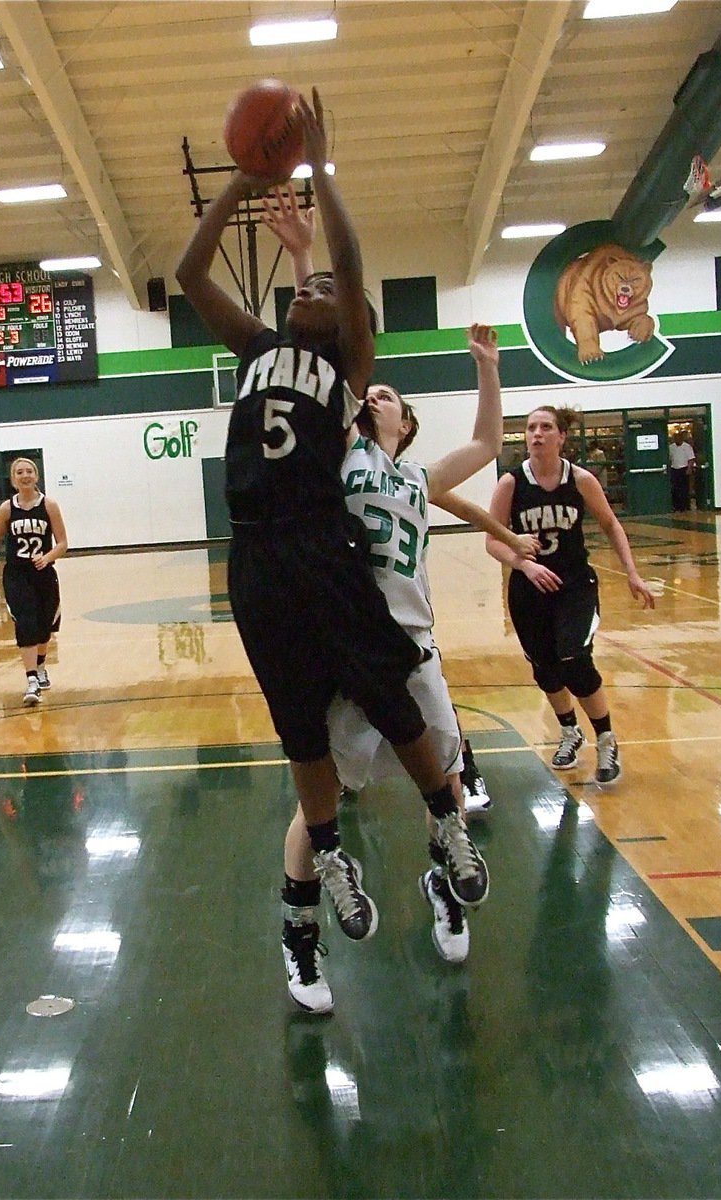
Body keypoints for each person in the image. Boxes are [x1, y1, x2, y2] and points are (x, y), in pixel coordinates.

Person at [176, 87, 488, 1016]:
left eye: (324, 292)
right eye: (300, 287)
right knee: (300, 726)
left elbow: (347, 264)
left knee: (392, 698)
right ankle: (334, 854)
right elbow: (192, 273)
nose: (310, 290)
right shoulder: (257, 345)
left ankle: (447, 825)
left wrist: (319, 168)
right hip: (258, 559)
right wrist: (241, 183)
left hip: (322, 545)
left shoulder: (347, 362)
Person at [263, 184, 537, 969]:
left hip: (413, 644)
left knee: (442, 780)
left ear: (404, 422)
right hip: (345, 644)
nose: (372, 394)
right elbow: (326, 345)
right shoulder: (335, 451)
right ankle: (301, 924)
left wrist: (488, 365)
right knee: (324, 798)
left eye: (384, 395)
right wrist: (303, 258)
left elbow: (488, 444)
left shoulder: (418, 478)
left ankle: (446, 890)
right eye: (369, 390)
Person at [485, 405, 656, 788]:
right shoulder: (511, 483)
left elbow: (611, 524)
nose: (537, 434)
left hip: (574, 585)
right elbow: (492, 540)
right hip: (529, 587)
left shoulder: (580, 480)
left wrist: (632, 572)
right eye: (530, 427)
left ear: (562, 436)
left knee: (574, 659)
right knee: (545, 668)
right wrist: (523, 563)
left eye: (546, 427)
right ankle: (569, 731)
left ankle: (606, 738)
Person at [0, 457, 68, 707]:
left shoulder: (49, 505)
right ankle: (31, 682)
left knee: (44, 627)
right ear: (13, 479)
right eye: (20, 472)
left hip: (43, 574)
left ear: (36, 476)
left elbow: (62, 543)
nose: (25, 475)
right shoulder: (7, 509)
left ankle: (40, 666)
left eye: (29, 471)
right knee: (25, 623)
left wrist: (48, 557)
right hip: (17, 575)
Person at [668, 429, 696, 512]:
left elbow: (691, 459)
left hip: (684, 469)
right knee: (675, 489)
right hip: (674, 469)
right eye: (675, 438)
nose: (677, 440)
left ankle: (685, 507)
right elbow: (670, 459)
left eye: (678, 438)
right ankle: (676, 506)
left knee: (684, 489)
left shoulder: (687, 447)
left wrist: (689, 469)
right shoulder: (671, 447)